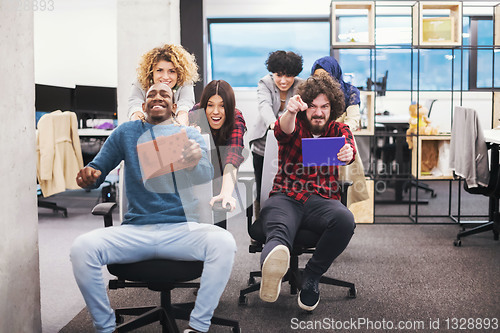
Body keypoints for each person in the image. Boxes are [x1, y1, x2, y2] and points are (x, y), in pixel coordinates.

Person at [71, 82, 236, 333]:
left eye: (164, 94)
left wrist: (193, 162)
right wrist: (89, 175)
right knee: (81, 248)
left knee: (225, 242)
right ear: (144, 104)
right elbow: (97, 169)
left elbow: (206, 175)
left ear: (174, 105)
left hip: (181, 229)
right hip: (136, 230)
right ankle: (105, 327)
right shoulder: (125, 133)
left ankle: (199, 326)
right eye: (151, 95)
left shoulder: (189, 136)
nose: (157, 98)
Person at [258, 72, 356, 312]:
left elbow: (349, 148)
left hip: (321, 200)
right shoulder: (295, 124)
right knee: (279, 232)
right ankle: (272, 270)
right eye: (312, 106)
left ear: (332, 108)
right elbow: (282, 131)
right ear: (305, 107)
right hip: (286, 196)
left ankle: (311, 276)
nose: (318, 112)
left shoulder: (339, 129)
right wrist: (290, 111)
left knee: (345, 219)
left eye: (324, 106)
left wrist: (348, 154)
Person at [249, 50, 304, 217]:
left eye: (289, 76)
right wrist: (274, 125)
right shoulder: (265, 83)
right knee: (262, 187)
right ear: (272, 72)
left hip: (290, 145)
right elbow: (264, 106)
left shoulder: (301, 85)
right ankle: (259, 225)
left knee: (289, 186)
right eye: (279, 75)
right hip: (263, 144)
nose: (283, 80)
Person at [311, 56, 369, 206]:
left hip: (341, 142)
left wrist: (337, 132)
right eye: (317, 76)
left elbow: (353, 119)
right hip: (317, 141)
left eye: (326, 76)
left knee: (342, 189)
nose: (321, 80)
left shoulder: (350, 91)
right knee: (315, 188)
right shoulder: (311, 92)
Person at [190, 80, 246, 212]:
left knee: (218, 209)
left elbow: (233, 154)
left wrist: (226, 193)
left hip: (222, 172)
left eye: (222, 106)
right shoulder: (195, 114)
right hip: (197, 172)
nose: (216, 111)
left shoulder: (236, 118)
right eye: (210, 105)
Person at [128, 44, 199, 126]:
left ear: (179, 74)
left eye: (172, 71)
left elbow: (184, 110)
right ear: (151, 72)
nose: (165, 77)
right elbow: (135, 110)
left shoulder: (185, 83)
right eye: (159, 70)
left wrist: (180, 129)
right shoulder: (140, 83)